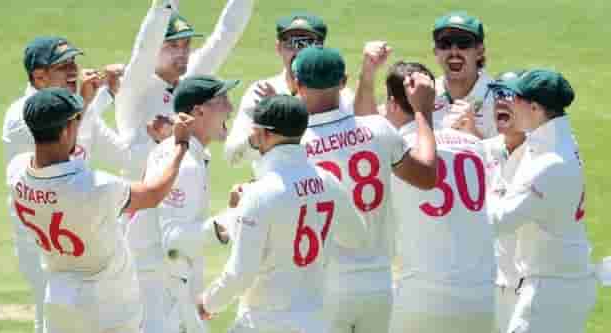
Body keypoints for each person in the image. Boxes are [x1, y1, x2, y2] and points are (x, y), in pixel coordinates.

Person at [1, 36, 164, 333]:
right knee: (51, 320)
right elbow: (60, 163)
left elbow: (121, 154)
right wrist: (89, 104)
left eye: (74, 62)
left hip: (76, 228)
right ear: (39, 76)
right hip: (44, 239)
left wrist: (150, 135)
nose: (74, 71)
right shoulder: (25, 117)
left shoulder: (70, 112)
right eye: (63, 66)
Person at [6, 87, 193, 333]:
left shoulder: (17, 172)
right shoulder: (95, 187)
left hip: (59, 300)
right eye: (75, 121)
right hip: (107, 307)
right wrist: (180, 145)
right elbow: (153, 193)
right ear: (66, 130)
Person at [294, 46, 438, 333]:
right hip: (378, 286)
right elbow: (426, 176)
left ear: (297, 85)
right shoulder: (379, 129)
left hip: (322, 287)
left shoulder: (294, 146)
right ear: (342, 82)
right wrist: (422, 112)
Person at [197, 95, 363, 333]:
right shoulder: (328, 181)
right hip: (315, 322)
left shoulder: (260, 193)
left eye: (254, 131)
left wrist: (206, 303)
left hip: (264, 323)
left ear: (266, 134)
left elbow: (240, 273)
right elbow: (356, 237)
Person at [377, 61, 495, 333]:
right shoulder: (475, 145)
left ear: (393, 104)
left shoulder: (394, 151)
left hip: (421, 298)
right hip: (482, 299)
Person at [489, 69, 596, 333]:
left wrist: (469, 195)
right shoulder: (560, 140)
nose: (509, 103)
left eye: (516, 98)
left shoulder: (548, 162)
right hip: (562, 280)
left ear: (535, 108)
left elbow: (500, 221)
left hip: (551, 289)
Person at [129, 75, 239, 333]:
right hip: (163, 297)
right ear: (198, 111)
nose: (231, 108)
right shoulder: (186, 164)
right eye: (222, 100)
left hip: (162, 289)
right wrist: (234, 217)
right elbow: (174, 242)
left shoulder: (181, 152)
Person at [115, 0, 253, 179]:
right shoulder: (135, 87)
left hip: (186, 194)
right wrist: (162, 6)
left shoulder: (188, 82)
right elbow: (145, 47)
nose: (183, 52)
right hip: (139, 201)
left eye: (187, 43)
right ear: (158, 45)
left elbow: (225, 36)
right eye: (173, 45)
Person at [224, 12, 355, 166]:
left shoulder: (341, 94)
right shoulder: (259, 92)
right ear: (278, 47)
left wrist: (285, 112)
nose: (298, 51)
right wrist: (260, 133)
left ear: (321, 48)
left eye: (307, 43)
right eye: (291, 43)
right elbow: (232, 155)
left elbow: (352, 144)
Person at [480, 71, 528, 333]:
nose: (501, 101)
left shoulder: (543, 156)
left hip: (527, 285)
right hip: (487, 282)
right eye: (498, 94)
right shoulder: (482, 150)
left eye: (509, 95)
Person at [432, 12, 498, 139]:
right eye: (445, 44)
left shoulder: (499, 99)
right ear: (436, 51)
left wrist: (472, 133)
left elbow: (512, 156)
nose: (454, 52)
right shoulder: (424, 94)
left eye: (463, 43)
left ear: (479, 52)